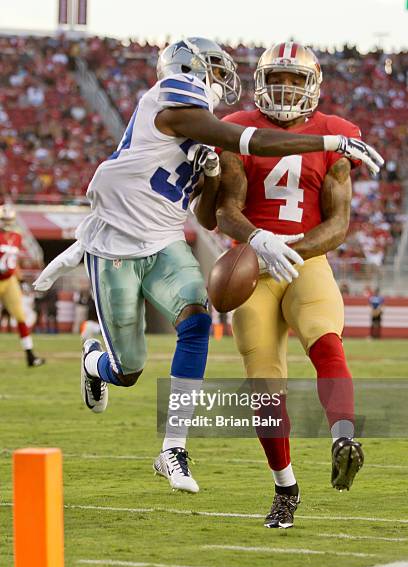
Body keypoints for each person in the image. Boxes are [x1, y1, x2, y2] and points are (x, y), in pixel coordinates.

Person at [34, 37, 383, 495]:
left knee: (244, 329)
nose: (279, 88)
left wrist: (279, 234)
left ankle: (183, 447)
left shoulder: (209, 126)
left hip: (225, 248)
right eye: (213, 72)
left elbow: (328, 223)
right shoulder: (188, 107)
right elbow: (227, 185)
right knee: (151, 370)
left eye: (291, 79)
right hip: (172, 253)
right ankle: (97, 364)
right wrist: (259, 234)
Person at [197, 42, 378, 526]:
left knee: (325, 339)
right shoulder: (239, 129)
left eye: (296, 79)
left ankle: (343, 437)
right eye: (278, 77)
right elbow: (225, 208)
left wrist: (290, 250)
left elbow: (338, 225)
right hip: (253, 261)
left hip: (305, 257)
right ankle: (286, 487)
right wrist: (261, 243)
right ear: (260, 81)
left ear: (312, 85)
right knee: (262, 374)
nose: (285, 87)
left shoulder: (336, 136)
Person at [0, 204, 45, 367]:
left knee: (20, 316)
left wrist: (20, 280)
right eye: (4, 219)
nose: (6, 222)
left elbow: (14, 261)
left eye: (8, 219)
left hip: (9, 280)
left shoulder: (16, 237)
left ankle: (30, 355)